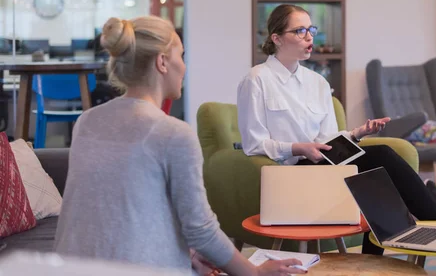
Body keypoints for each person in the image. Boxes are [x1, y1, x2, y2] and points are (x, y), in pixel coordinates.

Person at [54, 16, 304, 276]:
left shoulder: (87, 121)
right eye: (181, 55)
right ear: (162, 62)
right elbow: (201, 230)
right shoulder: (173, 134)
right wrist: (255, 272)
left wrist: (186, 253)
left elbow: (122, 210)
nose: (184, 67)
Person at [237, 4, 436, 254]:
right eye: (300, 31)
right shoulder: (257, 79)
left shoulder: (316, 82)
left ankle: (385, 251)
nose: (309, 37)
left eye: (311, 30)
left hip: (322, 164)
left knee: (379, 171)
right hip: (290, 173)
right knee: (381, 155)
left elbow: (327, 140)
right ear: (277, 38)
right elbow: (253, 144)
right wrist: (297, 147)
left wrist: (356, 134)